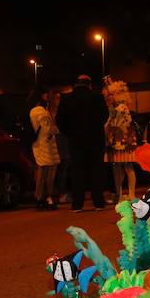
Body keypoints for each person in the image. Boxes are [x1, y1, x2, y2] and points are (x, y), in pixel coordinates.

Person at [56, 74, 109, 212]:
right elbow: (105, 116)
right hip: (95, 140)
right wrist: (96, 128)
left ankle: (77, 204)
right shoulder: (97, 97)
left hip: (76, 141)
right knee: (96, 170)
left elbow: (60, 121)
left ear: (76, 84)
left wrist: (70, 133)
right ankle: (98, 203)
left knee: (77, 172)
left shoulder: (67, 99)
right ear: (89, 84)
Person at [28, 87, 60, 210]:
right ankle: (46, 198)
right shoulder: (40, 111)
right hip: (46, 145)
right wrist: (56, 130)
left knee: (42, 173)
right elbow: (48, 129)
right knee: (47, 174)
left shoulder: (34, 110)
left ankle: (41, 197)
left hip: (40, 144)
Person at [104, 101, 139, 203]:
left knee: (127, 166)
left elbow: (126, 121)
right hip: (116, 138)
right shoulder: (114, 107)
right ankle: (120, 195)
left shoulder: (122, 107)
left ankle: (130, 194)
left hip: (122, 138)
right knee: (118, 167)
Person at [47, 88, 71, 204]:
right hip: (53, 141)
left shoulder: (62, 111)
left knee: (63, 168)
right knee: (54, 169)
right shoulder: (48, 112)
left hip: (63, 141)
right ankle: (52, 193)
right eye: (56, 98)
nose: (58, 100)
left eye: (59, 98)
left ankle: (61, 193)